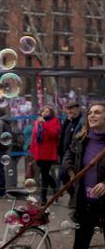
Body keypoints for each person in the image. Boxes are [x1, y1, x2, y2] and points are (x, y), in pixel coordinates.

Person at [64, 103, 105, 249]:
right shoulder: (80, 139)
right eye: (90, 113)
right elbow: (67, 157)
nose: (92, 115)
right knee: (80, 244)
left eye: (97, 112)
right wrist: (70, 172)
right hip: (85, 203)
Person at [30, 105, 60, 204]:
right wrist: (32, 151)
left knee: (44, 174)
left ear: (51, 113)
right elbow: (34, 138)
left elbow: (54, 134)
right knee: (45, 174)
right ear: (41, 113)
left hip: (48, 153)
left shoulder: (54, 121)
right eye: (43, 111)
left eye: (48, 111)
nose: (45, 113)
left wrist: (45, 124)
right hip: (39, 153)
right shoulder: (36, 122)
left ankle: (43, 198)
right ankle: (55, 188)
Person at [58, 102, 84, 197]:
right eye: (68, 109)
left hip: (76, 156)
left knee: (76, 179)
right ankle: (74, 198)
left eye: (72, 109)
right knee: (64, 178)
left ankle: (76, 200)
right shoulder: (67, 121)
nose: (69, 111)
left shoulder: (82, 121)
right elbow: (62, 137)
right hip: (66, 156)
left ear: (78, 109)